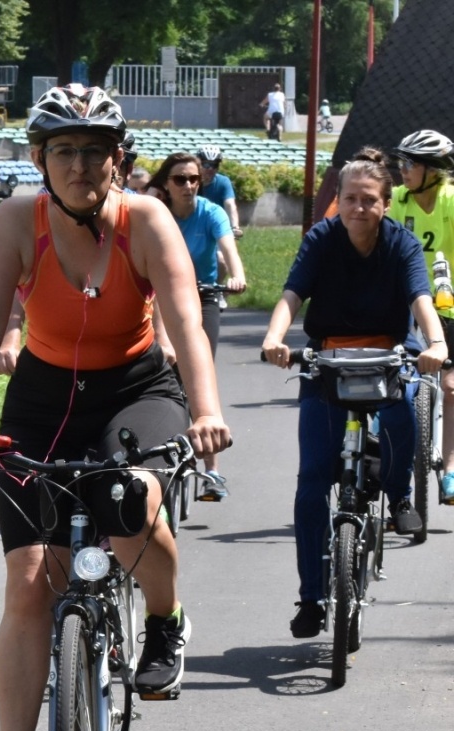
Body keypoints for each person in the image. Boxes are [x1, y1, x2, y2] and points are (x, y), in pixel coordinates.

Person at [0, 84, 231, 731]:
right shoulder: (17, 221)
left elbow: (185, 322)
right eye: (63, 151)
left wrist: (206, 410)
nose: (79, 165)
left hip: (135, 389)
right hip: (42, 398)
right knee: (28, 583)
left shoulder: (146, 220)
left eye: (95, 151)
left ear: (118, 160)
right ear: (40, 160)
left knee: (131, 502)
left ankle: (164, 620)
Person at [262, 152, 448, 638]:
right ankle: (311, 598)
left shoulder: (402, 243)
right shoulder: (321, 239)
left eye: (369, 200)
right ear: (339, 202)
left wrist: (436, 343)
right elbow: (292, 294)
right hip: (328, 357)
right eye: (350, 199)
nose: (359, 208)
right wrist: (274, 338)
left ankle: (399, 494)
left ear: (386, 203)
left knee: (403, 412)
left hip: (388, 352)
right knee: (311, 484)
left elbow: (420, 298)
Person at [147, 152, 248, 500]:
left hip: (203, 297)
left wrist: (237, 275)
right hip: (161, 299)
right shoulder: (158, 214)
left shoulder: (210, 212)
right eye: (179, 180)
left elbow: (228, 248)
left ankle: (212, 473)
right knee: (160, 378)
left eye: (193, 179)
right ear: (166, 184)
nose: (188, 186)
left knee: (198, 375)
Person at [385, 130, 454, 501]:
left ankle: (451, 469)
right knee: (387, 378)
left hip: (448, 303)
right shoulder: (397, 199)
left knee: (451, 387)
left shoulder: (450, 200)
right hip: (404, 301)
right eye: (401, 161)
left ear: (433, 169)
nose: (403, 169)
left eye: (410, 163)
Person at [195, 145, 243, 237]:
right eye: (206, 165)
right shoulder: (191, 182)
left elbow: (230, 204)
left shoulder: (223, 182)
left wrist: (235, 227)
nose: (210, 169)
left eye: (214, 165)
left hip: (217, 226)